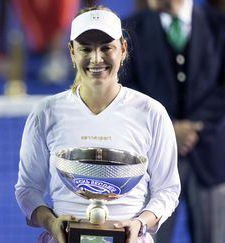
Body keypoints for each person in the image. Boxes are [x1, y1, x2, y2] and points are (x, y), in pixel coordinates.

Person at [14, 6, 181, 243]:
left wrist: (139, 223)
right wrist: (52, 223)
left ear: (122, 49)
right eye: (85, 49)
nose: (96, 58)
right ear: (71, 52)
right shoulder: (46, 112)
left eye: (106, 48)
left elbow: (167, 190)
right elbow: (27, 189)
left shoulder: (152, 112)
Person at [122, 0, 225, 242]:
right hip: (152, 161)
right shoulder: (129, 30)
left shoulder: (219, 25)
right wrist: (168, 128)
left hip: (209, 159)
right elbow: (126, 89)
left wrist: (194, 126)